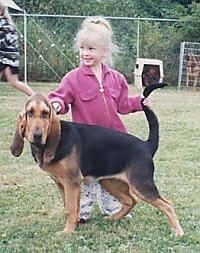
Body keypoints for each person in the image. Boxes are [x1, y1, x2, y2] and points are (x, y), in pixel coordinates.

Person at [48, 16, 151, 223]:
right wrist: (56, 104)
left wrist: (140, 103)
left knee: (111, 178)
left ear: (104, 51)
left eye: (91, 49)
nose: (85, 53)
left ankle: (114, 208)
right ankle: (81, 212)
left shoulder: (117, 79)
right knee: (82, 181)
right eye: (82, 48)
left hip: (113, 144)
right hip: (86, 145)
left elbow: (122, 105)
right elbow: (60, 97)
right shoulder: (72, 79)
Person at [0, 2, 34, 96]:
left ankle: (35, 97)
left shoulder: (3, 23)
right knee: (14, 82)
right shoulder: (8, 23)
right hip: (11, 58)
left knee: (14, 82)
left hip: (5, 56)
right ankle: (35, 96)